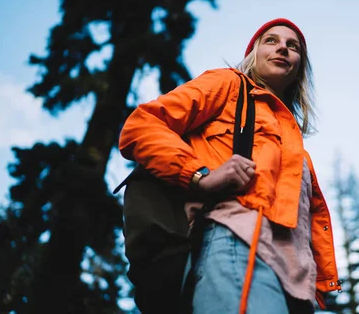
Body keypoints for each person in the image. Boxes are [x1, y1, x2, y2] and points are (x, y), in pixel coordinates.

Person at [118, 18, 340, 313]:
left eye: (293, 46)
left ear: (300, 67)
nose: (283, 49)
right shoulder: (228, 84)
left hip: (298, 281)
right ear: (253, 54)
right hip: (237, 246)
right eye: (271, 41)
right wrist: (199, 175)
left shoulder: (299, 151)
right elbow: (142, 126)